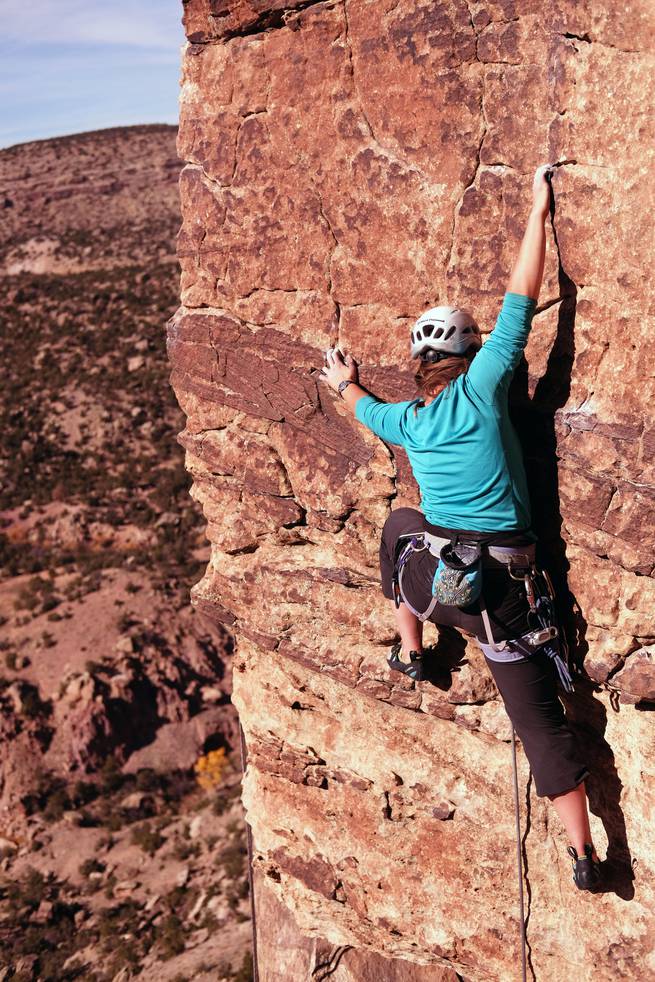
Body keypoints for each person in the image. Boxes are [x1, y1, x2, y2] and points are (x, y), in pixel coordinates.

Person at [318, 163, 601, 892]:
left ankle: (409, 650)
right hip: (501, 600)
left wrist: (341, 376)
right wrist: (537, 214)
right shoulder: (483, 389)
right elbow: (522, 302)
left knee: (399, 524)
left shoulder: (405, 420)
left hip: (436, 584)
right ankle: (584, 856)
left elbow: (359, 405)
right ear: (468, 356)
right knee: (541, 726)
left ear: (419, 363)